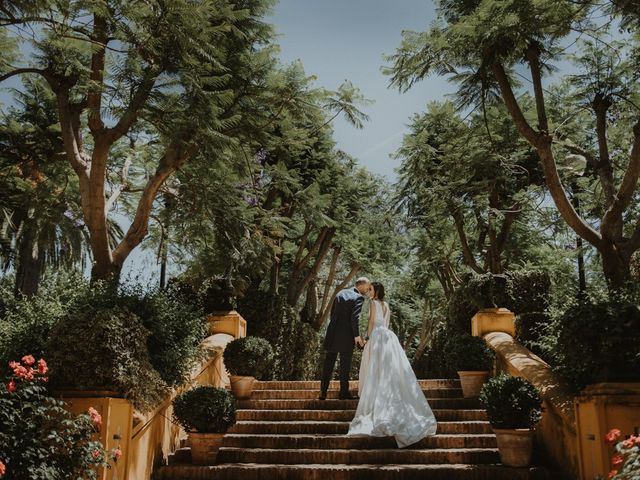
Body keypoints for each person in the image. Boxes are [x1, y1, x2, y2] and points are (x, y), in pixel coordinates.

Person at [347, 281, 437, 447]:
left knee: (376, 368)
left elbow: (372, 322)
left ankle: (377, 398)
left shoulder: (373, 303)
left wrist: (367, 338)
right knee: (389, 369)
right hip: (388, 335)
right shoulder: (386, 304)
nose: (369, 292)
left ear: (376, 291)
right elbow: (385, 323)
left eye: (371, 289)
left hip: (377, 335)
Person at [319, 277, 370, 400]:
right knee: (345, 364)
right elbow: (355, 318)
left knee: (328, 363)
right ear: (361, 286)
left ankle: (323, 392)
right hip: (346, 335)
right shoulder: (359, 298)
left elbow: (332, 313)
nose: (368, 291)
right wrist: (357, 336)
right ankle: (343, 393)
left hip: (333, 332)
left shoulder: (340, 292)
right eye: (368, 287)